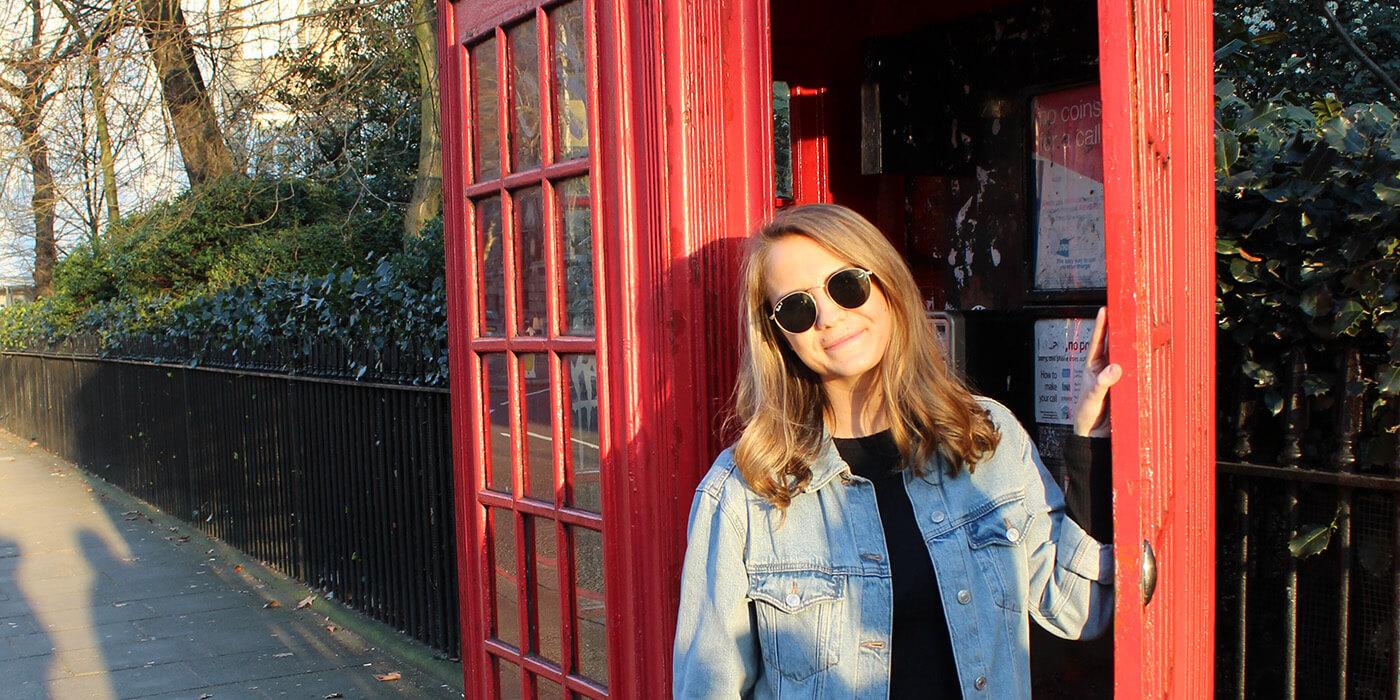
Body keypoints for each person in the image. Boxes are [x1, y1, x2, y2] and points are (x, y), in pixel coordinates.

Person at [672, 204, 1120, 698]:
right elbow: (707, 687)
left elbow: (1078, 607)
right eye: (797, 308)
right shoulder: (744, 492)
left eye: (846, 285)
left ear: (886, 286)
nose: (828, 317)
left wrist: (1088, 438)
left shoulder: (982, 437)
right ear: (780, 336)